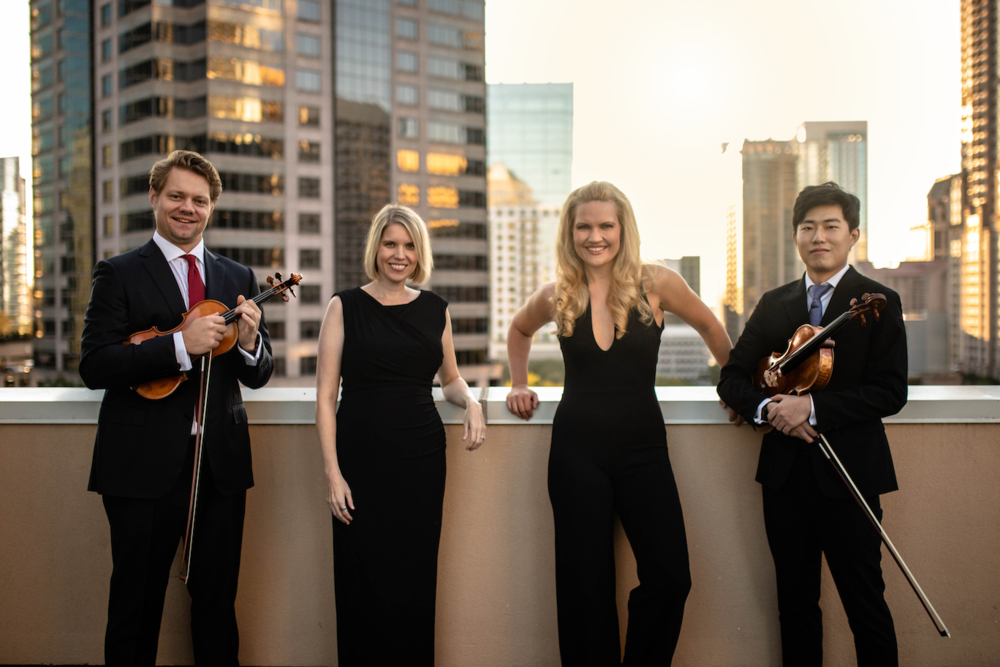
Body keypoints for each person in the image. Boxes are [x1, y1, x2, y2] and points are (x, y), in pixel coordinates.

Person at [506, 181, 733, 665]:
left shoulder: (658, 283)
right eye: (583, 226)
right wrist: (518, 383)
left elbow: (713, 328)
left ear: (622, 228)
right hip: (575, 454)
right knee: (583, 589)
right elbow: (519, 329)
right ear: (570, 233)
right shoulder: (558, 293)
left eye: (605, 225)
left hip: (643, 451)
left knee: (671, 576)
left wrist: (737, 389)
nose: (595, 236)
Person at [80, 150, 274, 665]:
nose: (188, 208)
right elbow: (95, 364)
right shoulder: (118, 273)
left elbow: (258, 374)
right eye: (177, 197)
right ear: (155, 198)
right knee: (135, 606)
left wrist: (251, 341)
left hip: (219, 467)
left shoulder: (239, 276)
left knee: (216, 602)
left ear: (212, 208)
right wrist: (180, 345)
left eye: (200, 200)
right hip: (141, 464)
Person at [717, 182, 907, 666]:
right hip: (785, 479)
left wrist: (813, 410)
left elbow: (890, 391)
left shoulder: (877, 301)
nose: (818, 236)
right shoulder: (774, 303)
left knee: (866, 605)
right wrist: (769, 410)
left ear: (852, 235)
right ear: (796, 236)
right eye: (807, 227)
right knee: (795, 606)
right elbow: (734, 377)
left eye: (830, 227)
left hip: (851, 477)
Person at [315, 204, 486, 666]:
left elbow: (449, 379)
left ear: (419, 253)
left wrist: (471, 402)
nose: (399, 254)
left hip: (421, 462)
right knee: (360, 580)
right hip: (359, 461)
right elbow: (326, 398)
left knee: (413, 581)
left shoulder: (435, 309)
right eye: (391, 243)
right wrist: (333, 473)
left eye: (409, 246)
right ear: (377, 247)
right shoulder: (343, 306)